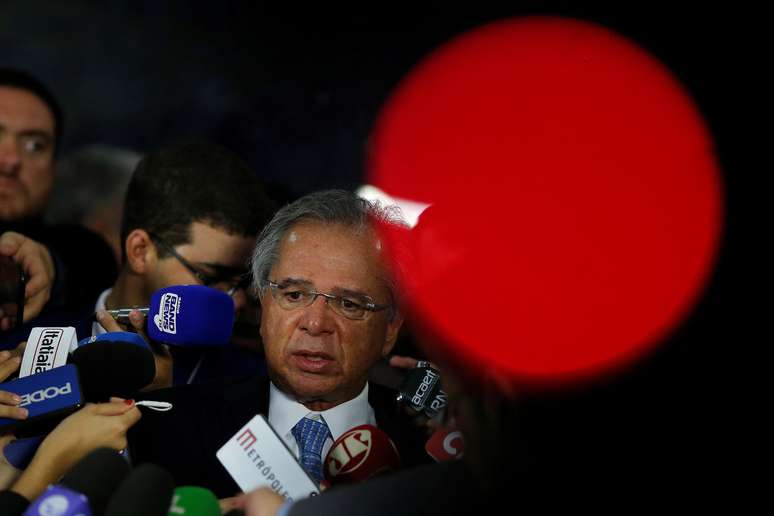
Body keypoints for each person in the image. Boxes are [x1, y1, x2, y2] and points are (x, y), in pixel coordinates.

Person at [129, 189, 430, 497]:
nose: (315, 324)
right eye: (294, 295)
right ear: (264, 305)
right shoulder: (169, 426)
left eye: (349, 304)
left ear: (391, 328)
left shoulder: (433, 455)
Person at [89, 141, 277, 387]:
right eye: (210, 277)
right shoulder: (33, 343)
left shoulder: (249, 385)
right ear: (140, 251)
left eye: (243, 282)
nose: (238, 301)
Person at [0, 68, 117, 341]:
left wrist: (45, 267)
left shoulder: (81, 253)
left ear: (54, 168)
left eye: (35, 146)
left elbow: (90, 257)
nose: (11, 160)